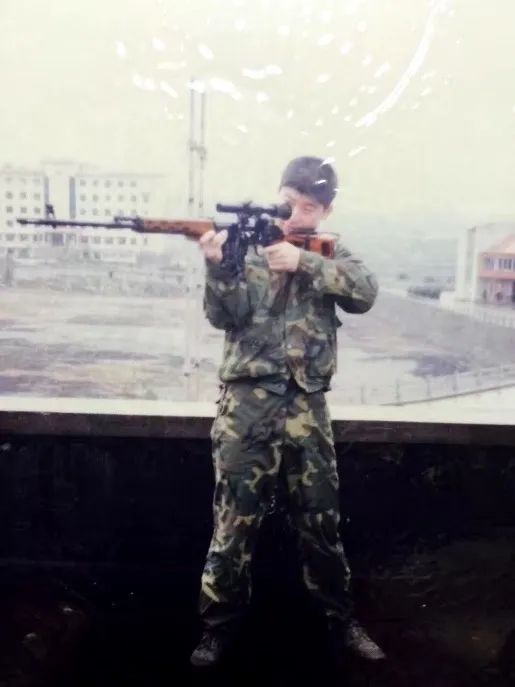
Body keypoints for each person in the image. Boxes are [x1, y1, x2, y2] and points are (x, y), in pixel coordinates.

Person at [191, 156, 385, 668]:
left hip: (306, 408)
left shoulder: (328, 251)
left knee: (321, 524)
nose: (297, 215)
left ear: (326, 211)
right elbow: (223, 315)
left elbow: (365, 292)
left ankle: (340, 622)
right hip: (246, 409)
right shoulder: (245, 246)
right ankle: (217, 629)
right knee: (233, 525)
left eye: (310, 207)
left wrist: (305, 263)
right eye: (289, 203)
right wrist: (217, 265)